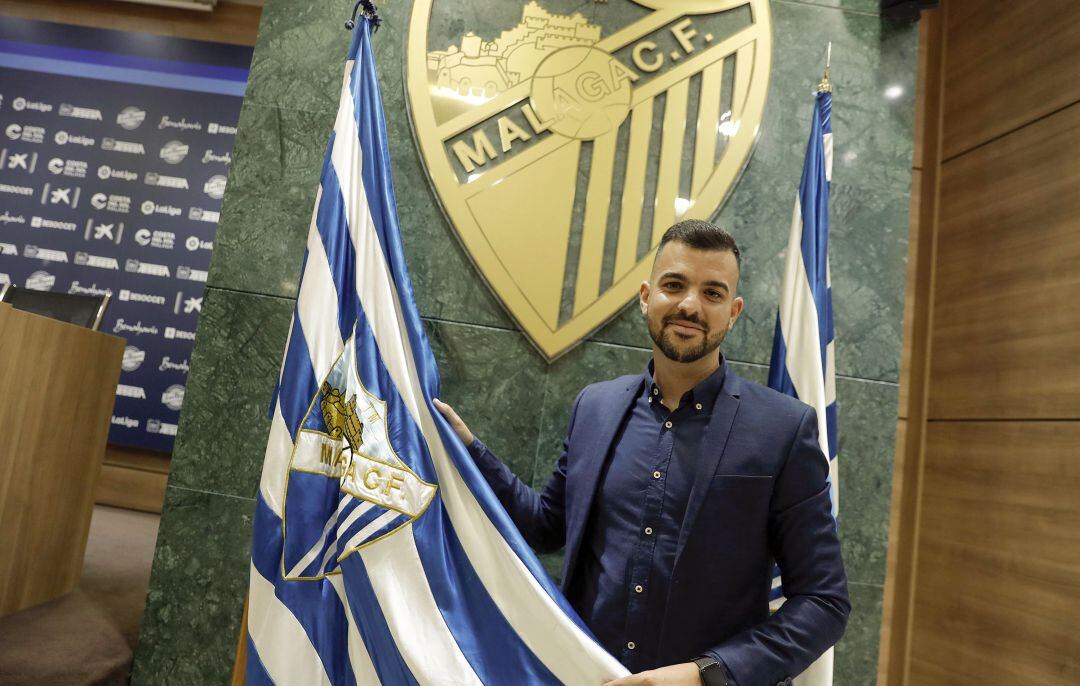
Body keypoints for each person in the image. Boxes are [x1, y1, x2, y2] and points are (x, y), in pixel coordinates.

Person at [435, 220, 848, 686]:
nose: (689, 305)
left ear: (733, 312)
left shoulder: (783, 429)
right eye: (674, 285)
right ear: (646, 297)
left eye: (712, 293)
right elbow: (547, 525)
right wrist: (468, 451)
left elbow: (824, 601)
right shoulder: (595, 407)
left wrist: (704, 675)